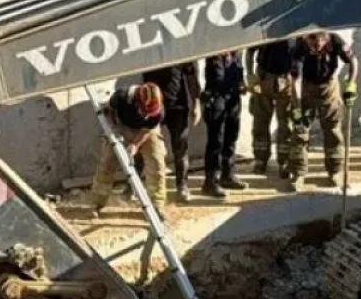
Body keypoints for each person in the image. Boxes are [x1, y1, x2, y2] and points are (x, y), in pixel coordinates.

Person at [293, 32, 356, 187]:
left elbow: (353, 61)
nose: (318, 43)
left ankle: (335, 171)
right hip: (307, 89)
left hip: (329, 87)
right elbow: (295, 80)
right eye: (313, 39)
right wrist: (296, 108)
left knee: (333, 130)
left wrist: (351, 84)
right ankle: (299, 173)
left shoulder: (335, 41)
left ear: (327, 37)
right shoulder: (300, 45)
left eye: (322, 39)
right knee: (300, 131)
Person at [91, 83, 167, 212]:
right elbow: (109, 111)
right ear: (136, 102)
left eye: (149, 113)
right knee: (107, 162)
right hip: (122, 126)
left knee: (156, 162)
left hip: (145, 130)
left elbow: (147, 130)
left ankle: (157, 205)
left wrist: (135, 145)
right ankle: (98, 201)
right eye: (144, 111)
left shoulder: (157, 112)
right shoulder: (121, 97)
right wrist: (113, 130)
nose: (146, 115)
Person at [143, 62, 200, 203]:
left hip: (178, 106)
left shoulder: (179, 48)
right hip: (153, 106)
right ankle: (133, 185)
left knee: (181, 148)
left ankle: (182, 186)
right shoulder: (148, 48)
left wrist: (196, 104)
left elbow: (191, 76)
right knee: (144, 146)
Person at [250, 40, 301, 182]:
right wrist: (250, 75)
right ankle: (260, 159)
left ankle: (283, 162)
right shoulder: (264, 31)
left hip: (286, 80)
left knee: (286, 124)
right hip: (263, 77)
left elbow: (300, 57)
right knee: (260, 120)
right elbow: (250, 50)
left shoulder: (295, 34)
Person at [200, 51, 248, 199]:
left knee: (231, 138)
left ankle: (228, 175)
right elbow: (216, 79)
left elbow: (239, 71)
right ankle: (210, 182)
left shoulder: (237, 52)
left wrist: (242, 84)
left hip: (233, 98)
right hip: (217, 98)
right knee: (216, 142)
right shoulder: (214, 54)